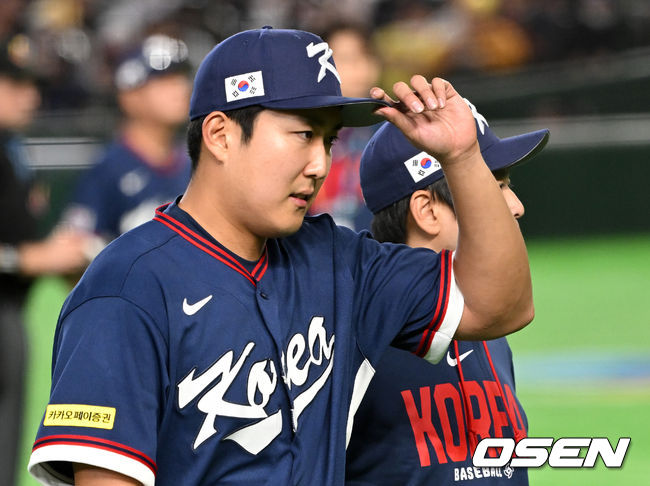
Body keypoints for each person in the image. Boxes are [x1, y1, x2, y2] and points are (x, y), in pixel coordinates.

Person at [29, 27, 534, 486]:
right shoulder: (126, 288)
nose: (320, 164)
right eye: (303, 134)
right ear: (221, 135)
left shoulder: (340, 261)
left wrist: (463, 159)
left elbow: (499, 307)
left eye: (328, 140)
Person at [346, 100, 549, 485]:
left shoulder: (490, 326)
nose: (517, 206)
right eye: (495, 186)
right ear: (428, 211)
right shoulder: (355, 330)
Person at [0, 38, 89, 486]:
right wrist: (27, 257)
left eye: (31, 85)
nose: (30, 97)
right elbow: (22, 252)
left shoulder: (11, 147)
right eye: (14, 84)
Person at [60, 34, 192, 247]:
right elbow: (75, 248)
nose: (181, 89)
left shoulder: (195, 162)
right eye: (164, 81)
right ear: (130, 96)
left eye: (181, 78)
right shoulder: (108, 169)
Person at [308, 22, 381, 230]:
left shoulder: (390, 133)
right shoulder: (298, 134)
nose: (361, 67)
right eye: (347, 58)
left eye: (366, 56)